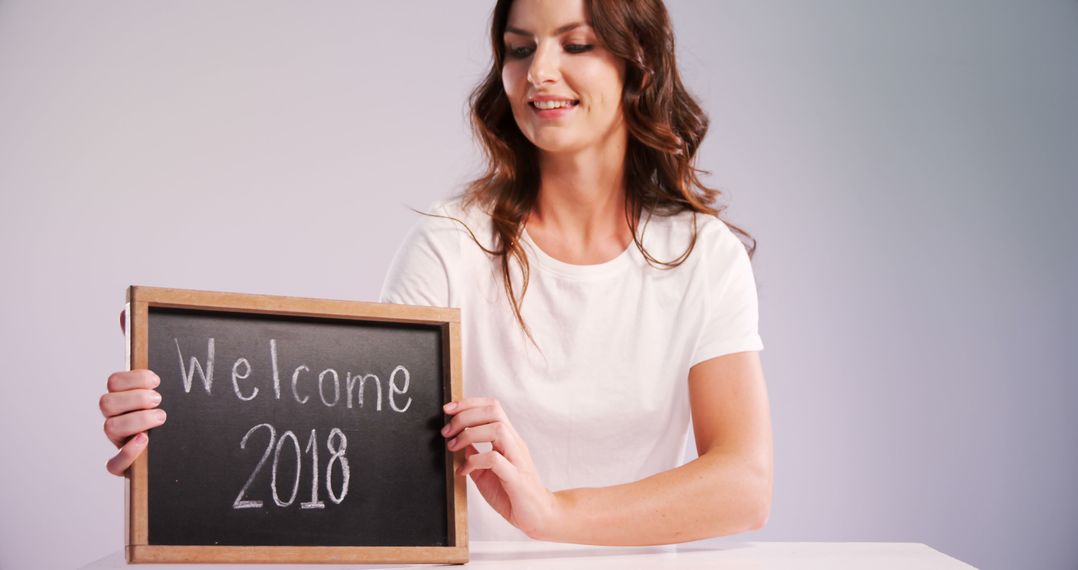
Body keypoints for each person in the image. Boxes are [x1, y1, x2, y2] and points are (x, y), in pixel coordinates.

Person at [99, 0, 773, 546]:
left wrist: (551, 514)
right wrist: (188, 434)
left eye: (576, 44)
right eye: (519, 47)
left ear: (640, 63)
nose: (539, 72)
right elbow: (363, 450)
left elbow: (743, 485)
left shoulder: (701, 255)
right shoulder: (450, 247)